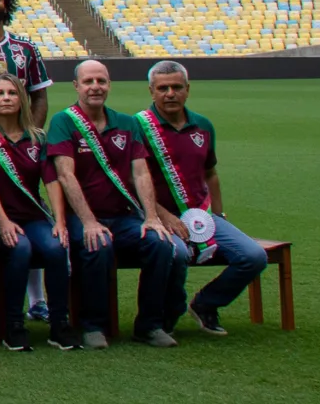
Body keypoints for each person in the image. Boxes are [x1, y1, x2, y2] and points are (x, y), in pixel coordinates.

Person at [48, 58, 181, 349]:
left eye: (101, 81)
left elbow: (140, 172)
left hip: (123, 217)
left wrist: (151, 217)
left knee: (159, 243)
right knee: (99, 244)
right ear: (76, 86)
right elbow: (65, 175)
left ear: (109, 84)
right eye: (88, 82)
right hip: (81, 217)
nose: (95, 87)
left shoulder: (127, 123)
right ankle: (93, 325)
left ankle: (149, 324)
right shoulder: (63, 121)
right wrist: (88, 221)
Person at [135, 60, 267, 338]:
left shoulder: (203, 125)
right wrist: (164, 216)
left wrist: (217, 214)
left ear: (187, 89)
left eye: (176, 87)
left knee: (253, 256)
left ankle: (206, 304)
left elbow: (211, 173)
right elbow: (132, 181)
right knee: (177, 253)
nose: (170, 93)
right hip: (159, 218)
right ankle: (165, 316)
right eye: (163, 88)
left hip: (201, 216)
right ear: (151, 91)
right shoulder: (139, 127)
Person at [0, 72, 71, 351]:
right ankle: (13, 324)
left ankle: (59, 323)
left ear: (23, 99)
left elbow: (51, 179)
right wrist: (3, 221)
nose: (6, 98)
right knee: (20, 250)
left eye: (12, 93)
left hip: (33, 216)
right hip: (1, 218)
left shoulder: (38, 137)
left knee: (56, 249)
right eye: (0, 93)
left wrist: (60, 221)